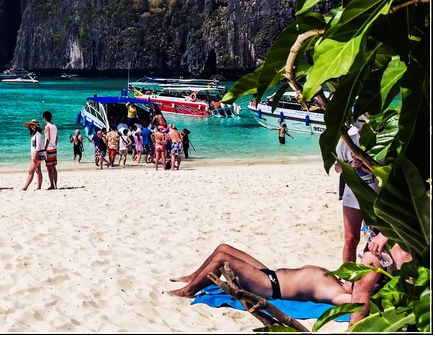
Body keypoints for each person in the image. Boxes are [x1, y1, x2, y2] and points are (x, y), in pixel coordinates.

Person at [168, 242, 406, 325]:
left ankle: (188, 291)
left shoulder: (338, 295)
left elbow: (359, 301)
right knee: (223, 248)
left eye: (357, 283)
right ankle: (194, 277)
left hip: (268, 286)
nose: (353, 280)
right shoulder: (339, 282)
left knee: (222, 258)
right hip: (269, 273)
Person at [334, 119, 379, 263]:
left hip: (376, 194)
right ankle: (348, 274)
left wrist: (371, 168)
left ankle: (372, 270)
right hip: (353, 193)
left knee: (374, 238)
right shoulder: (349, 139)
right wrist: (350, 164)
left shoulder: (381, 138)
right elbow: (337, 168)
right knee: (351, 239)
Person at [22, 119, 44, 190]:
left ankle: (25, 187)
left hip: (37, 155)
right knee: (38, 170)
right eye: (31, 125)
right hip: (37, 154)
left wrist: (35, 154)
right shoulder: (35, 134)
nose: (32, 126)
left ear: (36, 126)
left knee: (31, 171)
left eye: (33, 125)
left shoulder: (37, 134)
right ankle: (39, 186)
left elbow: (38, 145)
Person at [42, 111, 58, 189]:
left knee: (49, 168)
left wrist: (45, 149)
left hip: (49, 149)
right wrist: (54, 145)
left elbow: (48, 138)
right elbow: (56, 138)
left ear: (44, 118)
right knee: (54, 168)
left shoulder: (47, 126)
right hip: (54, 149)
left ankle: (52, 185)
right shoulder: (54, 126)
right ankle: (55, 185)